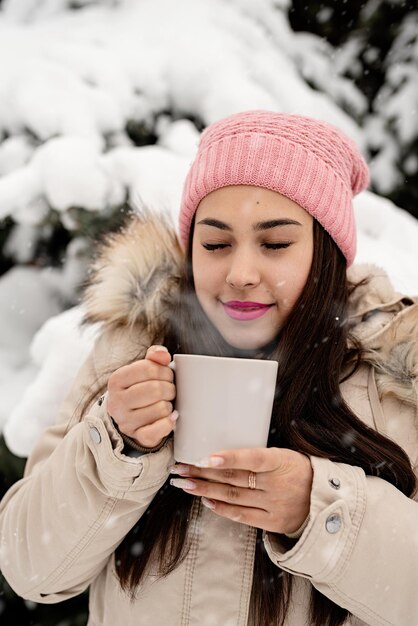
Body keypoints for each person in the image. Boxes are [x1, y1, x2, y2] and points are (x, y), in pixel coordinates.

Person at [0, 110, 417, 626]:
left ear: (325, 252)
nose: (240, 274)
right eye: (216, 244)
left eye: (276, 244)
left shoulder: (397, 372)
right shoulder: (133, 347)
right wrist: (117, 445)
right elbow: (28, 568)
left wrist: (320, 510)